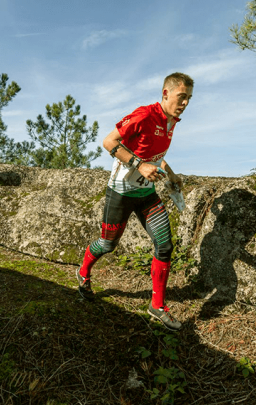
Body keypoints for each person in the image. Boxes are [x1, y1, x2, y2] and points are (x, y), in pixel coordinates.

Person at [76, 72, 193, 331]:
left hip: (146, 195)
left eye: (189, 99)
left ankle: (157, 306)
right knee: (107, 245)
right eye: (181, 97)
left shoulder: (171, 122)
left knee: (165, 245)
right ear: (166, 93)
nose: (185, 103)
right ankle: (83, 272)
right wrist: (139, 165)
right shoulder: (144, 115)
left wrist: (171, 174)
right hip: (120, 193)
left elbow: (155, 155)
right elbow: (109, 142)